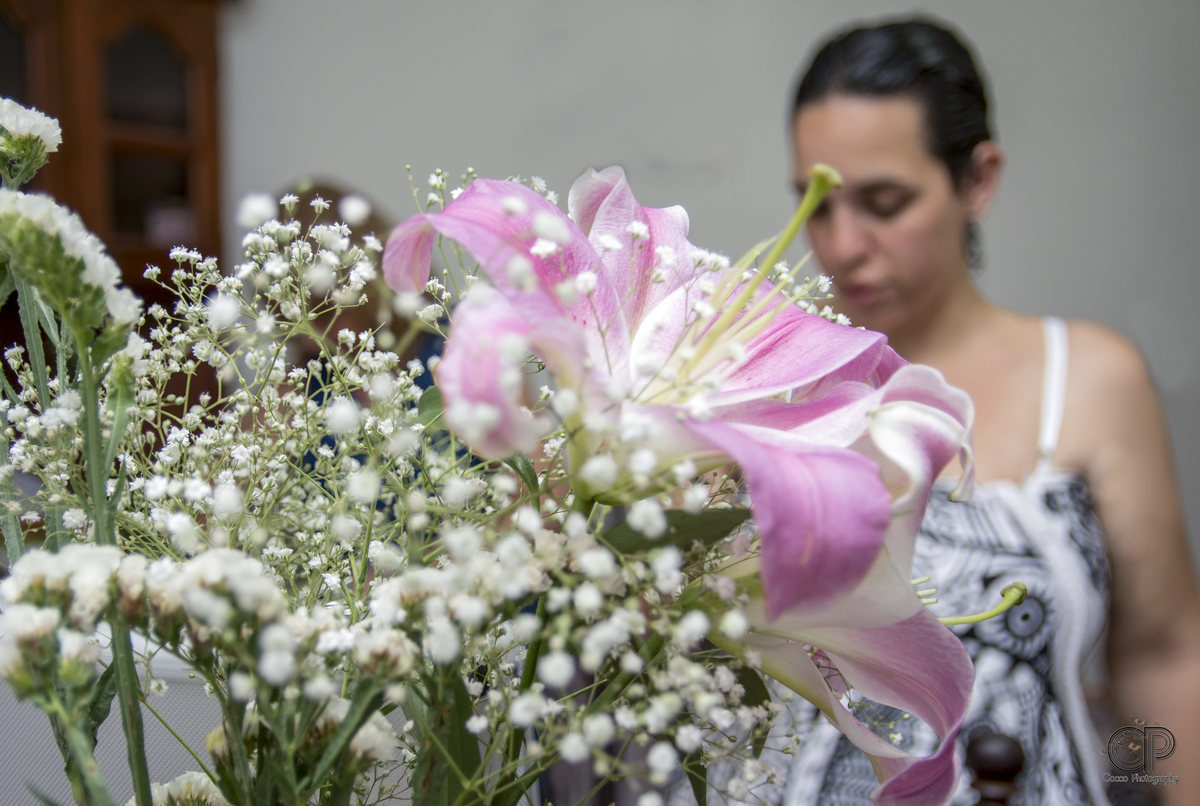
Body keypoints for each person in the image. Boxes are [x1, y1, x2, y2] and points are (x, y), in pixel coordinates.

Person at [779, 15, 1200, 806]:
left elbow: (1166, 660)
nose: (841, 245)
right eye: (815, 204)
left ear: (978, 179)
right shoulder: (764, 390)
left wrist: (1166, 791)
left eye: (884, 202)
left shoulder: (1089, 382)